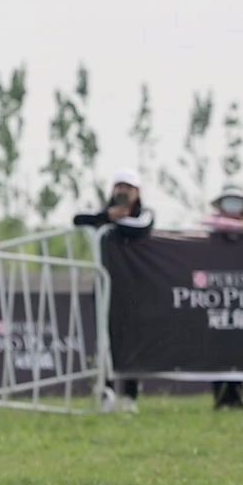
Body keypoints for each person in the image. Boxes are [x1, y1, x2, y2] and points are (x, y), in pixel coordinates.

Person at [73, 170, 154, 413]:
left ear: (137, 193)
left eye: (128, 188)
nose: (122, 192)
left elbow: (141, 227)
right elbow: (78, 220)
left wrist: (111, 221)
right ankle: (106, 392)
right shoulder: (103, 215)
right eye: (118, 186)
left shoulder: (145, 214)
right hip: (104, 288)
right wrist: (106, 216)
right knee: (104, 341)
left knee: (133, 341)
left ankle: (130, 395)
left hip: (135, 288)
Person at [202, 184, 243, 411]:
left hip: (242, 299)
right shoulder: (214, 225)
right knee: (218, 349)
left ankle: (236, 395)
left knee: (240, 347)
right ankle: (220, 396)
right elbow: (212, 223)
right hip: (216, 298)